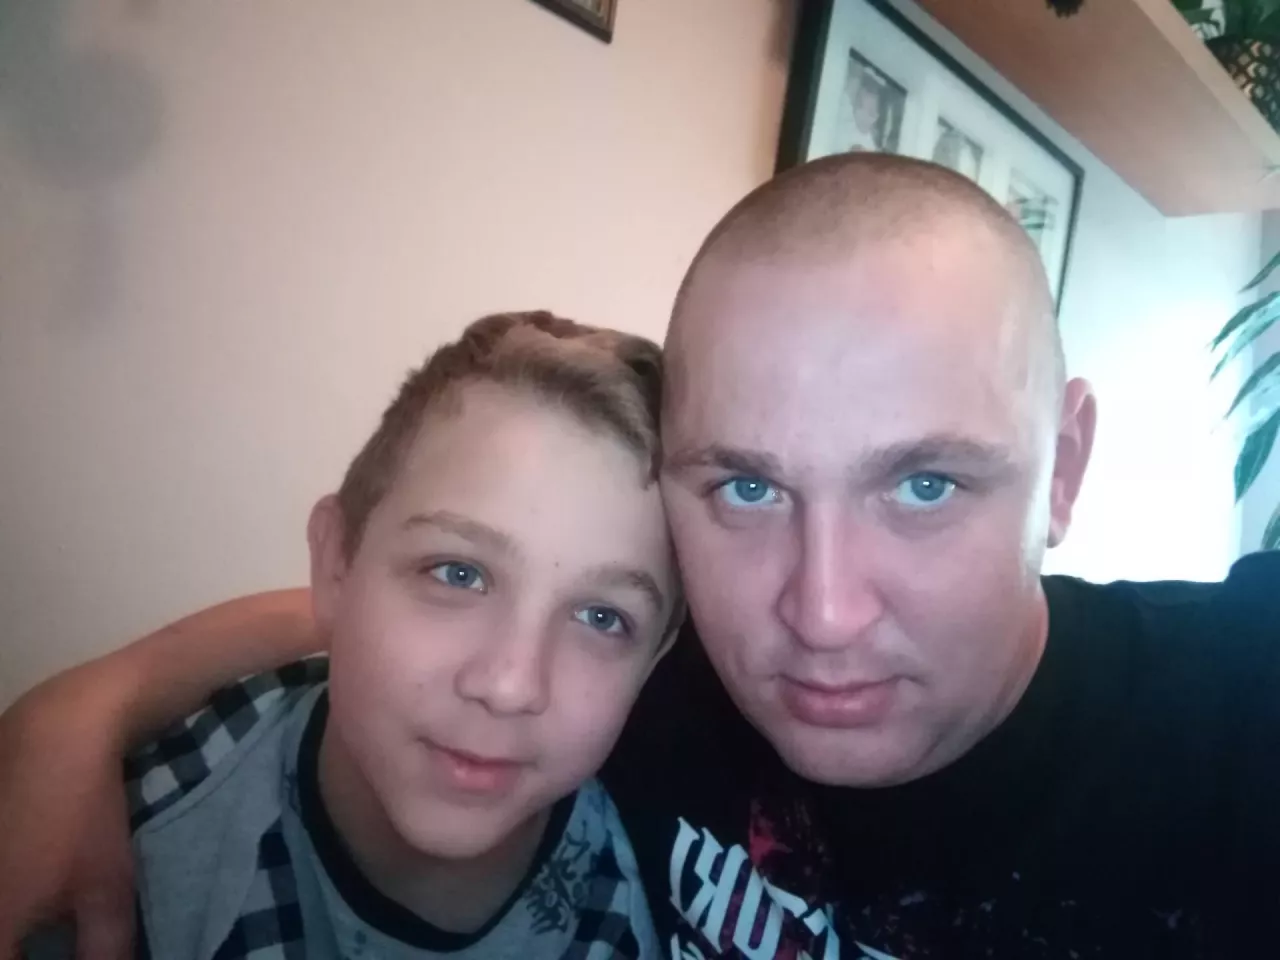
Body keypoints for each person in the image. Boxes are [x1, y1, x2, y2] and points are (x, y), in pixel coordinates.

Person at [4, 154, 1279, 959]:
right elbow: (408, 601)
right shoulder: (656, 680)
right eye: (745, 487)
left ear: (1062, 469)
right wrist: (85, 709)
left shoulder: (1231, 718)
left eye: (924, 484)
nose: (821, 614)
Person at [13, 310, 685, 959]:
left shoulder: (656, 902)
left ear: (655, 661)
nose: (511, 685)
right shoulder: (125, 836)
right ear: (337, 564)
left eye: (602, 617)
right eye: (457, 574)